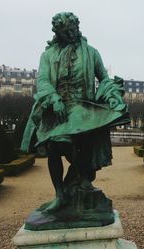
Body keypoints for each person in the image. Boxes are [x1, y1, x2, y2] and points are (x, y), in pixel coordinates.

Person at [21, 12, 129, 213]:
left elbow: (103, 78)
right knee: (55, 146)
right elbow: (42, 81)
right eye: (66, 32)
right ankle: (61, 193)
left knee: (82, 140)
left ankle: (82, 178)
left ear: (78, 28)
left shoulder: (92, 53)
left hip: (83, 107)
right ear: (57, 33)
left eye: (73, 30)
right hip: (57, 109)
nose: (71, 34)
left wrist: (113, 94)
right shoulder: (48, 56)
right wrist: (53, 99)